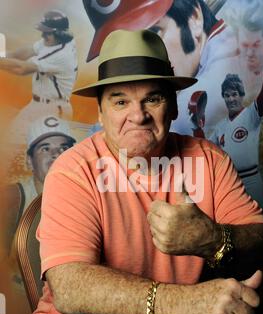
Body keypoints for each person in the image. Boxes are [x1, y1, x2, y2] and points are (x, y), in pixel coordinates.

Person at [29, 29, 263, 314]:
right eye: (120, 101)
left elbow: (261, 240)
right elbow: (70, 289)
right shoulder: (73, 170)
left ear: (172, 107)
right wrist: (183, 303)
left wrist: (213, 239)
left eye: (152, 98)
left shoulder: (209, 160)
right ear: (100, 113)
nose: (138, 115)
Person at [82, 0, 238, 134]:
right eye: (122, 45)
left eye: (154, 34)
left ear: (194, 16)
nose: (140, 60)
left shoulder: (233, 62)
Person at [208, 52, 263, 209]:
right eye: (227, 95)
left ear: (241, 95)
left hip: (252, 181)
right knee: (238, 228)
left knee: (259, 227)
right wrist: (196, 125)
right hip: (231, 183)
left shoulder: (251, 114)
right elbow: (205, 147)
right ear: (223, 98)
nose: (231, 99)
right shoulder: (220, 127)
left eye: (234, 94)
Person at [3, 115, 76, 256]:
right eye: (45, 149)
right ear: (29, 161)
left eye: (64, 148)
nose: (56, 154)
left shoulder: (84, 198)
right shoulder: (11, 199)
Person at [0, 9, 78, 141]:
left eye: (47, 33)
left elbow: (22, 69)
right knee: (10, 141)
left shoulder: (62, 54)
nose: (43, 36)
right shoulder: (52, 41)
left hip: (54, 109)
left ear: (59, 34)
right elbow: (20, 54)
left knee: (44, 151)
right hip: (36, 105)